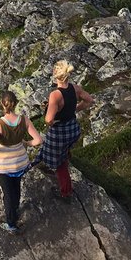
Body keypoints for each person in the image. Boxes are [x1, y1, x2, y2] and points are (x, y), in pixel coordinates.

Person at [0, 89, 41, 233]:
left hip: (3, 165)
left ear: (1, 104)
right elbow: (38, 140)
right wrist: (26, 143)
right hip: (20, 163)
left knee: (7, 193)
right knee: (16, 189)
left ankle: (11, 223)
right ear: (15, 104)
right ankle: (15, 210)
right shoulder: (24, 120)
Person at [38, 59, 93, 199]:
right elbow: (89, 100)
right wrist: (74, 109)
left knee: (60, 164)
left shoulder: (55, 95)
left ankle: (66, 191)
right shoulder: (75, 88)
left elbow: (48, 119)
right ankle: (63, 154)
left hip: (61, 131)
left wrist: (54, 117)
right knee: (62, 149)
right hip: (73, 128)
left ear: (55, 73)